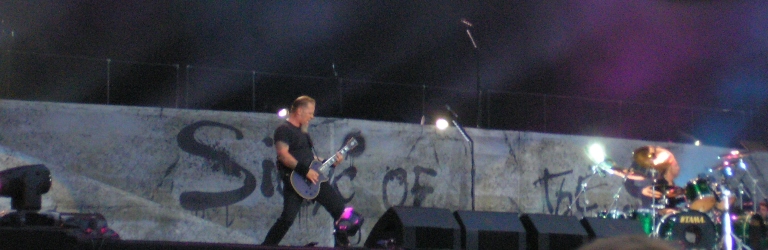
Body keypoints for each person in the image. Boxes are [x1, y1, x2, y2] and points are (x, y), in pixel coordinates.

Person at [262, 96, 348, 246]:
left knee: (340, 210)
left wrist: (331, 162)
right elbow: (283, 155)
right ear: (300, 111)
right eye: (310, 112)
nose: (312, 116)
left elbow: (311, 158)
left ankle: (342, 245)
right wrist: (305, 171)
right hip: (296, 179)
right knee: (287, 218)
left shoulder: (304, 132)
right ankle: (267, 246)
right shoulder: (284, 130)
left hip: (313, 178)